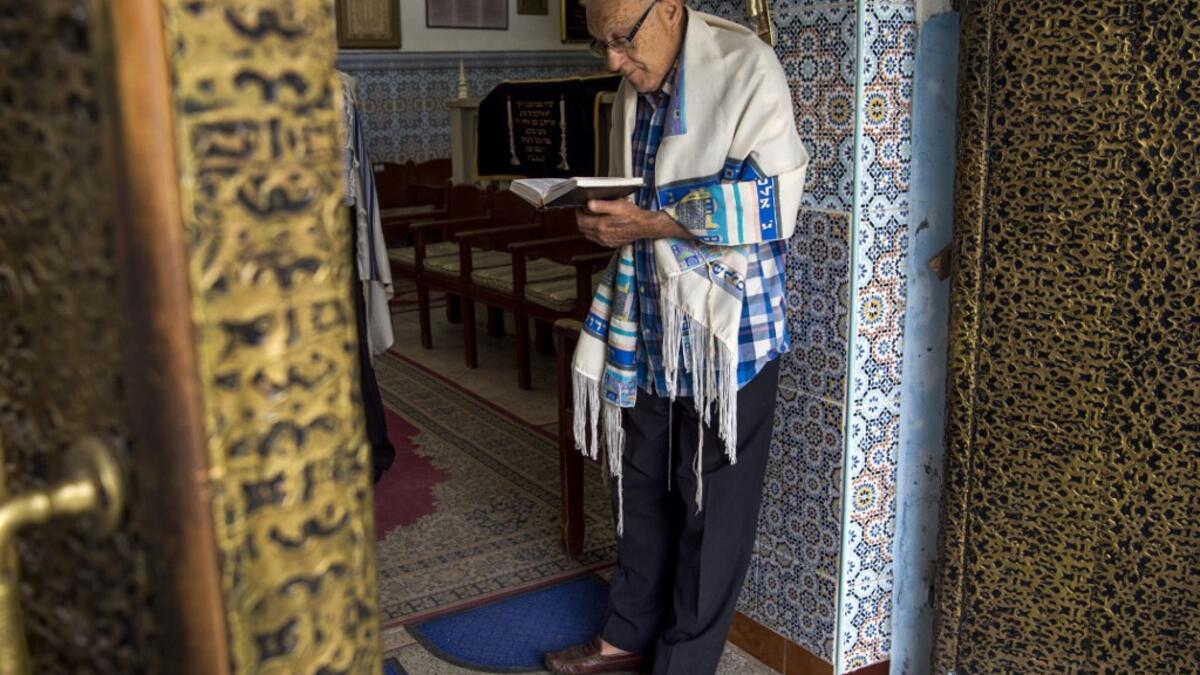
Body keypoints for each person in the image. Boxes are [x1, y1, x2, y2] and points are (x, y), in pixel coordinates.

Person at [544, 1, 808, 674]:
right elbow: (632, 196)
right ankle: (624, 636)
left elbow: (775, 200)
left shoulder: (746, 67)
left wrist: (647, 224)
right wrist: (603, 221)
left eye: (622, 42)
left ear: (667, 9)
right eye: (601, 45)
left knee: (711, 507)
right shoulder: (633, 87)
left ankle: (683, 663)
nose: (612, 60)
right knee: (639, 481)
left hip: (724, 333)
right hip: (650, 315)